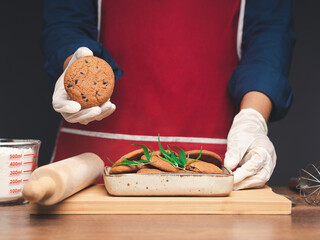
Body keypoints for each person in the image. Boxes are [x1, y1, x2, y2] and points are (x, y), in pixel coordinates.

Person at [41, 0, 295, 190]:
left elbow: (270, 34)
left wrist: (252, 119)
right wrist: (75, 67)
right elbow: (66, 21)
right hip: (93, 160)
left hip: (219, 159)